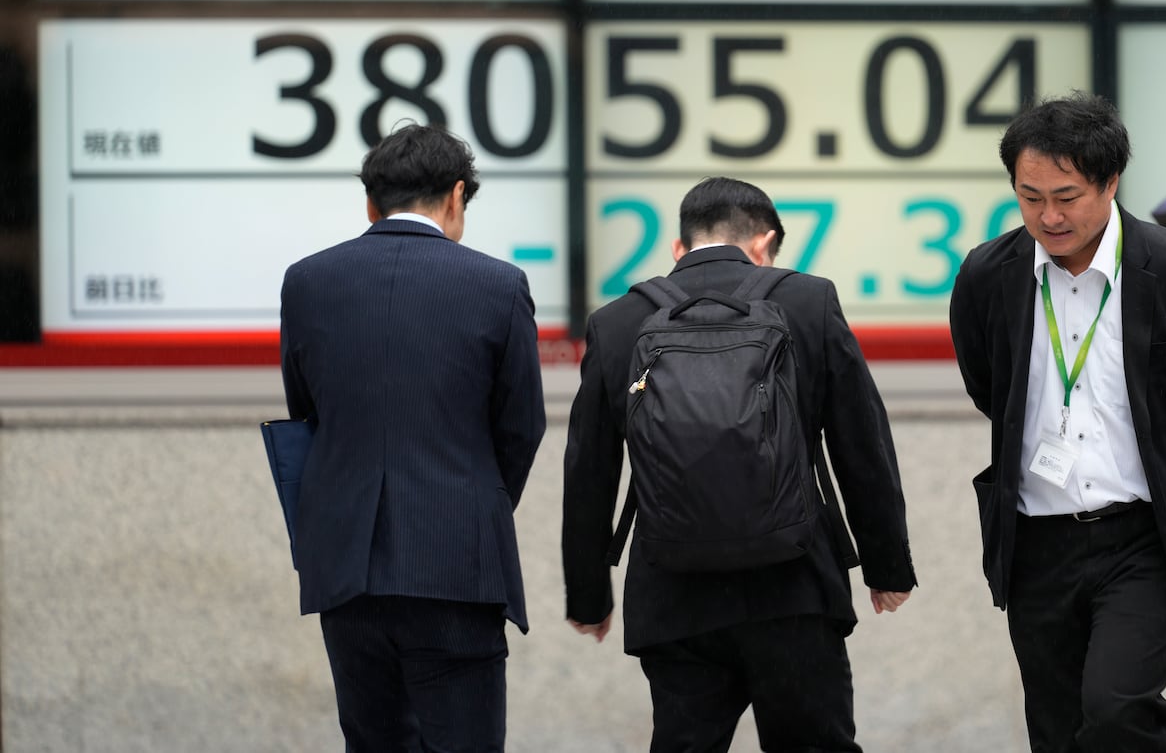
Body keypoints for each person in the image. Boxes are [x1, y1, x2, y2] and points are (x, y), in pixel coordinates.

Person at [562, 176, 916, 753]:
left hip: (674, 595)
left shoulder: (617, 321)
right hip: (795, 586)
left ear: (680, 248)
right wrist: (887, 566)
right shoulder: (808, 300)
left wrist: (588, 594)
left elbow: (588, 471)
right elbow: (862, 444)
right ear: (764, 243)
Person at [949, 93, 1166, 751]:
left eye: (1067, 195)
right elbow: (987, 387)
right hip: (1036, 542)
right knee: (1057, 727)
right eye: (1030, 197)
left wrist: (1158, 448)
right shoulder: (987, 276)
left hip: (1141, 536)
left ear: (1110, 182)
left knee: (1117, 706)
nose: (1049, 216)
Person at [279, 122, 546, 752]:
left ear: (370, 203)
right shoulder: (499, 285)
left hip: (347, 566)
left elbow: (307, 410)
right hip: (458, 563)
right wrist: (474, 499)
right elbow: (522, 426)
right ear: (456, 196)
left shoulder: (307, 281)